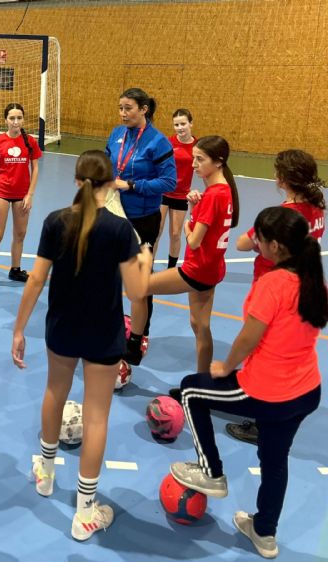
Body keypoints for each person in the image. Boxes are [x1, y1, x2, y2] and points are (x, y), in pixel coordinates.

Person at [12, 150, 152, 541]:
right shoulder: (121, 231)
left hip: (61, 328)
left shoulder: (55, 221)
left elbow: (36, 280)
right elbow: (136, 291)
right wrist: (145, 257)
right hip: (104, 333)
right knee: (96, 417)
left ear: (76, 182)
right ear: (109, 188)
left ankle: (45, 473)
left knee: (54, 393)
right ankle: (86, 510)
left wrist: (19, 329)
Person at [170, 206, 325, 559]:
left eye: (258, 237)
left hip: (268, 390)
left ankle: (211, 472)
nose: (253, 241)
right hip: (305, 391)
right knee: (274, 460)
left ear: (274, 246)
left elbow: (248, 337)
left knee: (192, 391)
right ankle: (265, 533)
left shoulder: (273, 283)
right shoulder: (315, 280)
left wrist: (226, 365)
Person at [226, 149, 326, 445]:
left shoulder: (286, 215)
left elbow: (244, 244)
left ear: (283, 179)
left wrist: (261, 240)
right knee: (286, 349)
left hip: (273, 287)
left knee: (262, 350)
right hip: (300, 285)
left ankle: (263, 418)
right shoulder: (316, 209)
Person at [127, 136, 239, 373]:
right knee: (200, 325)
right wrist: (196, 208)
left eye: (200, 159)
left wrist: (189, 221)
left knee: (139, 287)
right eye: (194, 158)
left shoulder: (213, 195)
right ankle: (202, 381)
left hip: (196, 270)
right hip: (213, 269)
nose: (194, 164)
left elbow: (194, 240)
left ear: (218, 162)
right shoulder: (225, 191)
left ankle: (134, 346)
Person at [105, 87, 176, 359]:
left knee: (139, 283)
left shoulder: (158, 142)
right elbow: (108, 165)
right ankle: (111, 327)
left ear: (144, 109)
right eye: (120, 108)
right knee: (111, 276)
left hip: (143, 219)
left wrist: (132, 184)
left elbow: (169, 182)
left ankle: (137, 339)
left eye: (128, 108)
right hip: (114, 215)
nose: (123, 114)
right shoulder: (116, 134)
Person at [0, 102, 42, 292]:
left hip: (22, 194)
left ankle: (15, 270)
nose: (16, 122)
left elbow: (35, 169)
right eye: (12, 118)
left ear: (23, 119)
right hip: (1, 191)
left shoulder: (30, 141)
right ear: (5, 120)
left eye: (19, 118)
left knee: (20, 234)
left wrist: (30, 194)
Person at [155, 108, 197, 268]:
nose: (180, 128)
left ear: (191, 124)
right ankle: (148, 267)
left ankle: (171, 269)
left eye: (183, 124)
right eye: (176, 124)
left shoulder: (197, 146)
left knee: (175, 234)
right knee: (156, 232)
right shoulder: (167, 142)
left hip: (181, 196)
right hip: (163, 193)